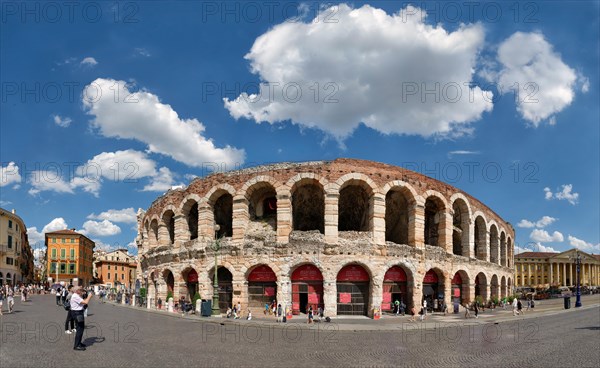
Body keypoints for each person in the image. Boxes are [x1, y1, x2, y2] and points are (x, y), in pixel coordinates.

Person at [70, 286, 93, 351]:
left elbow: (83, 302)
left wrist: (84, 295)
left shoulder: (77, 295)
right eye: (80, 289)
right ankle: (76, 346)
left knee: (81, 328)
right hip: (77, 313)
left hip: (78, 312)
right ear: (76, 290)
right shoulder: (75, 296)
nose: (81, 290)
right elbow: (85, 302)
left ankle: (79, 343)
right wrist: (89, 296)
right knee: (79, 329)